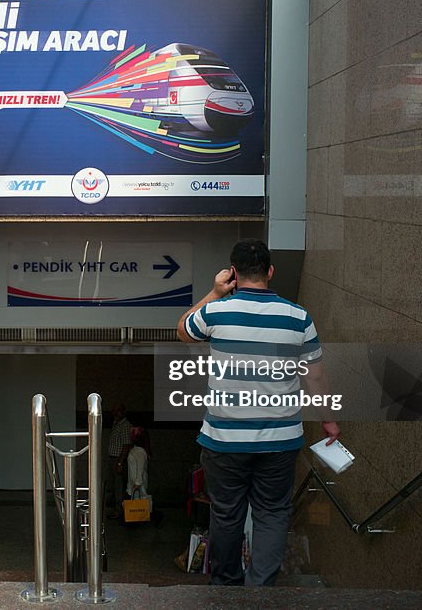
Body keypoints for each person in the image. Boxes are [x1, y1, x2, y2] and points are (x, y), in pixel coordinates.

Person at [177, 239, 339, 587]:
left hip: (224, 441)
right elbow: (315, 376)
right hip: (280, 442)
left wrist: (215, 292)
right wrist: (327, 418)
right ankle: (259, 593)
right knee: (272, 514)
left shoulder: (216, 311)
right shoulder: (298, 318)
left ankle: (225, 588)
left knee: (226, 514)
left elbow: (183, 330)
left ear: (233, 273)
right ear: (270, 272)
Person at [105, 403, 132, 519]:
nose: (116, 413)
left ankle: (119, 511)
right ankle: (116, 508)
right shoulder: (116, 424)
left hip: (118, 459)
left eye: (118, 410)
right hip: (113, 458)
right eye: (114, 411)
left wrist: (120, 462)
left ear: (124, 412)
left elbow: (126, 446)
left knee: (119, 486)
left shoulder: (125, 425)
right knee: (114, 485)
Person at [126, 426, 150, 501]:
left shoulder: (139, 451)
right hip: (136, 483)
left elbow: (140, 468)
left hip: (137, 484)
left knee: (138, 503)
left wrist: (138, 482)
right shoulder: (138, 450)